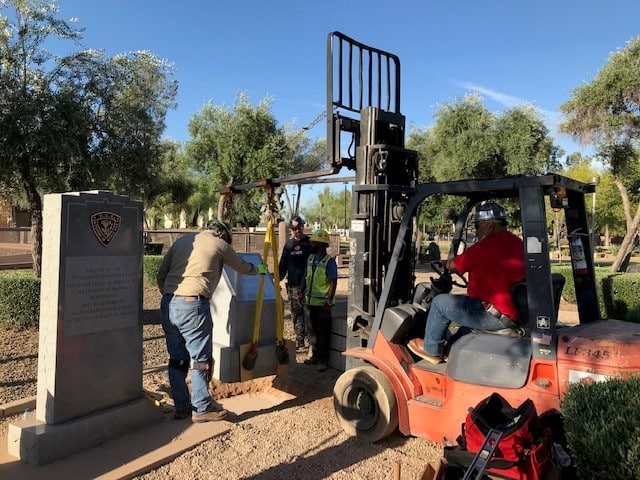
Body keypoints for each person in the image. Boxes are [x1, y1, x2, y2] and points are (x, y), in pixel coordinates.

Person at [157, 221, 267, 422]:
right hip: (193, 304)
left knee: (177, 359)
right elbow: (241, 266)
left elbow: (161, 273)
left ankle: (181, 406)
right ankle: (202, 409)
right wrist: (258, 269)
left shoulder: (183, 241)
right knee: (200, 361)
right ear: (223, 235)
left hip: (168, 302)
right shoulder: (220, 245)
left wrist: (170, 296)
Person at [408, 203, 525, 364]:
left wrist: (444, 263)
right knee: (467, 309)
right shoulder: (517, 243)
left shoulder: (484, 247)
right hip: (509, 311)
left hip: (495, 315)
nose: (476, 232)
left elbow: (455, 265)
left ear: (489, 225)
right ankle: (449, 350)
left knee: (440, 303)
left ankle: (432, 350)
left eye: (477, 227)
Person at [301, 229, 338, 372]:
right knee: (312, 332)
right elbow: (306, 276)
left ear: (321, 245)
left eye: (314, 242)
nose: (312, 244)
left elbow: (333, 283)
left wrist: (328, 301)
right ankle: (315, 356)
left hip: (322, 304)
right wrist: (301, 291)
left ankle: (323, 360)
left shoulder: (329, 262)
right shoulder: (311, 258)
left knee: (323, 333)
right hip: (309, 302)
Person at [278, 216, 312, 352]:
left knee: (308, 314)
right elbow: (282, 266)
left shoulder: (310, 244)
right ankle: (300, 341)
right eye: (293, 228)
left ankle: (311, 343)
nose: (296, 231)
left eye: (298, 228)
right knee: (296, 314)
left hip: (308, 286)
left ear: (303, 227)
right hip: (293, 286)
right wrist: (277, 281)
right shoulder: (289, 245)